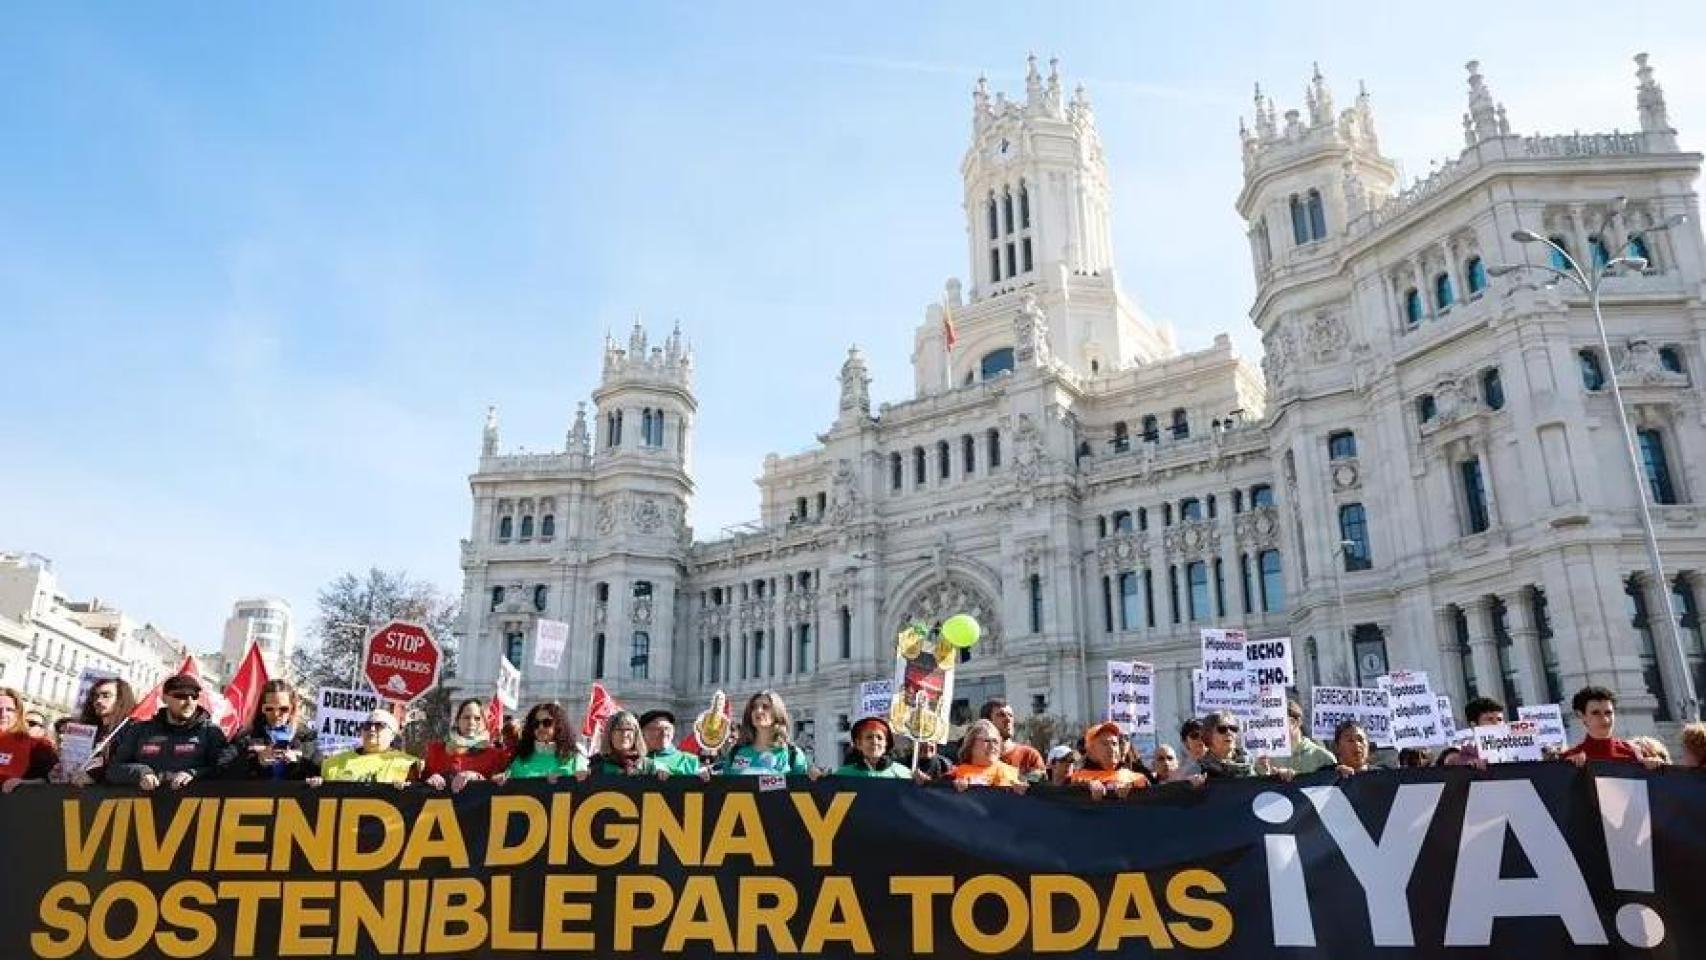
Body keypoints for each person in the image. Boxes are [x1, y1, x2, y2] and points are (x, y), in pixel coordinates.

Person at [105, 674, 229, 791]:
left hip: (195, 807)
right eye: (181, 696)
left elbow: (224, 770)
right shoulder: (140, 730)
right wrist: (140, 773)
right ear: (165, 698)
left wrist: (194, 773)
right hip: (145, 807)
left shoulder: (211, 732)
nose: (189, 702)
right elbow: (113, 770)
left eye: (194, 697)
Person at [225, 679, 320, 781]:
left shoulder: (309, 739)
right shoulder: (247, 737)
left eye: (283, 709)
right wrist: (255, 761)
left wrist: (300, 761)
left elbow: (321, 774)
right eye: (269, 708)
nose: (276, 714)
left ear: (292, 708)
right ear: (262, 708)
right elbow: (222, 771)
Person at [1561, 685, 1663, 768]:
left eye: (1608, 713)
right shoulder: (1570, 758)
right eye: (1596, 713)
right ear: (1581, 716)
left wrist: (1656, 767)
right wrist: (1568, 769)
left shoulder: (1634, 754)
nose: (1605, 719)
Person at [421, 698, 511, 791]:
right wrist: (431, 779)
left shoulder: (495, 756)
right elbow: (418, 785)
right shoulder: (436, 751)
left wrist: (475, 776)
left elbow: (502, 785)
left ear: (484, 723)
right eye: (466, 717)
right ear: (457, 721)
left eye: (477, 718)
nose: (471, 722)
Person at [313, 710, 419, 786]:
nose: (372, 729)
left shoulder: (408, 763)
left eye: (379, 725)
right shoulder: (332, 763)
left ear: (392, 735)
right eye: (367, 726)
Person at [67, 677, 137, 784]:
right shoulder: (89, 731)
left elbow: (127, 767)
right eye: (95, 696)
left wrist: (95, 777)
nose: (98, 701)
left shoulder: (132, 731)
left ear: (121, 699)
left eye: (106, 696)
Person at [724, 690, 811, 776]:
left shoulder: (793, 755)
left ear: (777, 713)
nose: (758, 711)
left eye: (765, 707)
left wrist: (817, 776)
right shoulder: (735, 753)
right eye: (753, 707)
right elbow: (721, 786)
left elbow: (806, 785)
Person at [495, 702, 584, 782]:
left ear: (558, 725)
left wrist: (563, 782)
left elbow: (586, 783)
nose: (540, 727)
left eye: (547, 723)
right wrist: (499, 780)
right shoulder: (520, 758)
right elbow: (505, 784)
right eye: (536, 723)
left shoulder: (575, 758)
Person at [1198, 710, 1293, 781]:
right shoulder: (1199, 769)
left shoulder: (1253, 765)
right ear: (1208, 735)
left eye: (1233, 728)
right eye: (1222, 729)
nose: (1229, 733)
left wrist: (1279, 776)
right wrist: (1190, 786)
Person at [1069, 721, 1149, 798]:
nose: (1112, 749)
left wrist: (1131, 786)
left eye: (1114, 744)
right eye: (1105, 743)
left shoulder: (1134, 777)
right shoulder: (1078, 778)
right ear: (1091, 751)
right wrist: (1086, 787)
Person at [0, 688, 57, 790]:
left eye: (9, 710)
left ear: (18, 713)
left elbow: (51, 779)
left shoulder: (37, 746)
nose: (3, 714)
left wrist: (24, 783)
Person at [948, 719, 1027, 791]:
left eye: (995, 741)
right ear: (971, 745)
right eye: (987, 741)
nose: (992, 746)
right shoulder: (955, 775)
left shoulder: (1015, 775)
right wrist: (955, 789)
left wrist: (1020, 792)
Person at [980, 699, 1045, 781]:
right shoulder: (976, 757)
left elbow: (1041, 785)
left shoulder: (1029, 756)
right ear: (987, 723)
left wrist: (1023, 780)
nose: (1008, 720)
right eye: (1001, 715)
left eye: (1010, 715)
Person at [589, 710, 668, 777]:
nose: (625, 734)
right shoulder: (594, 763)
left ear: (636, 735)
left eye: (629, 729)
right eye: (619, 729)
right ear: (609, 734)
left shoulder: (649, 766)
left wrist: (663, 776)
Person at [833, 716, 913, 779]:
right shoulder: (844, 775)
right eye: (869, 737)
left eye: (879, 738)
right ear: (858, 744)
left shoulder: (903, 774)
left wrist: (924, 783)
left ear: (886, 744)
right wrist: (822, 780)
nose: (875, 742)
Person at [1274, 700, 1337, 775]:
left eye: (1279, 721)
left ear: (1295, 722)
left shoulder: (1323, 757)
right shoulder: (1269, 759)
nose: (1274, 726)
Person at [1442, 696, 1506, 768]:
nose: (1496, 724)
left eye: (1499, 719)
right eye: (1489, 719)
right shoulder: (1464, 754)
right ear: (1474, 725)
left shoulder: (1514, 748)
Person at [640, 709, 703, 777]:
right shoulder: (636, 761)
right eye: (657, 729)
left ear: (673, 731)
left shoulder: (689, 761)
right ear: (642, 732)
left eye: (667, 728)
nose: (664, 733)